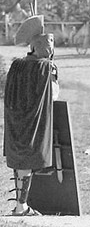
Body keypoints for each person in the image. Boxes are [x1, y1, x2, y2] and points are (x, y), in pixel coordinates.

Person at [4, 15, 59, 216]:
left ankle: (21, 205)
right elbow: (54, 95)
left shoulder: (16, 65)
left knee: (20, 161)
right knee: (27, 160)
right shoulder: (47, 67)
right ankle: (21, 206)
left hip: (14, 119)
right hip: (34, 120)